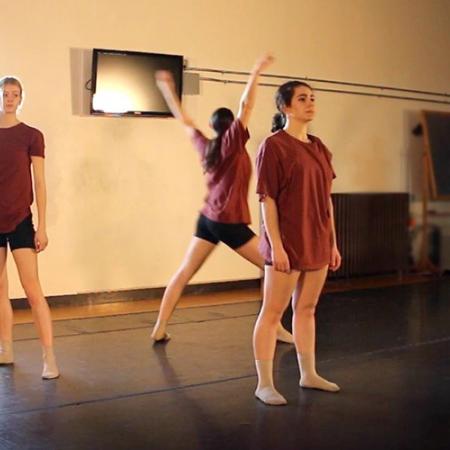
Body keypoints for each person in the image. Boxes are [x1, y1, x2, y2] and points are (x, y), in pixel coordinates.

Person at [151, 54, 293, 345]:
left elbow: (184, 119)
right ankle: (274, 325)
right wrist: (255, 70)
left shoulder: (207, 145)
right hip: (229, 222)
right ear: (232, 128)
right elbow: (247, 105)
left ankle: (160, 327)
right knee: (274, 266)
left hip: (207, 220)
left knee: (184, 272)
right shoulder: (232, 143)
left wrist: (167, 90)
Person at [253, 80, 342, 405]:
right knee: (272, 313)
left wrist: (332, 242)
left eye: (312, 98)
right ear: (285, 107)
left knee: (306, 309)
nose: (310, 103)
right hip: (288, 240)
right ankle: (264, 384)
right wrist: (276, 245)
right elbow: (267, 199)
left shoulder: (319, 147)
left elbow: (326, 200)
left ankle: (309, 374)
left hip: (317, 239)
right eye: (302, 98)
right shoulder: (273, 146)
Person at [0, 76, 59, 379]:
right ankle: (6, 347)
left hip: (21, 219)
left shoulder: (31, 135)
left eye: (14, 95)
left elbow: (40, 182)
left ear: (20, 98)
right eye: (5, 94)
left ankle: (49, 357)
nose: (9, 99)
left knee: (32, 289)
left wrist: (43, 226)